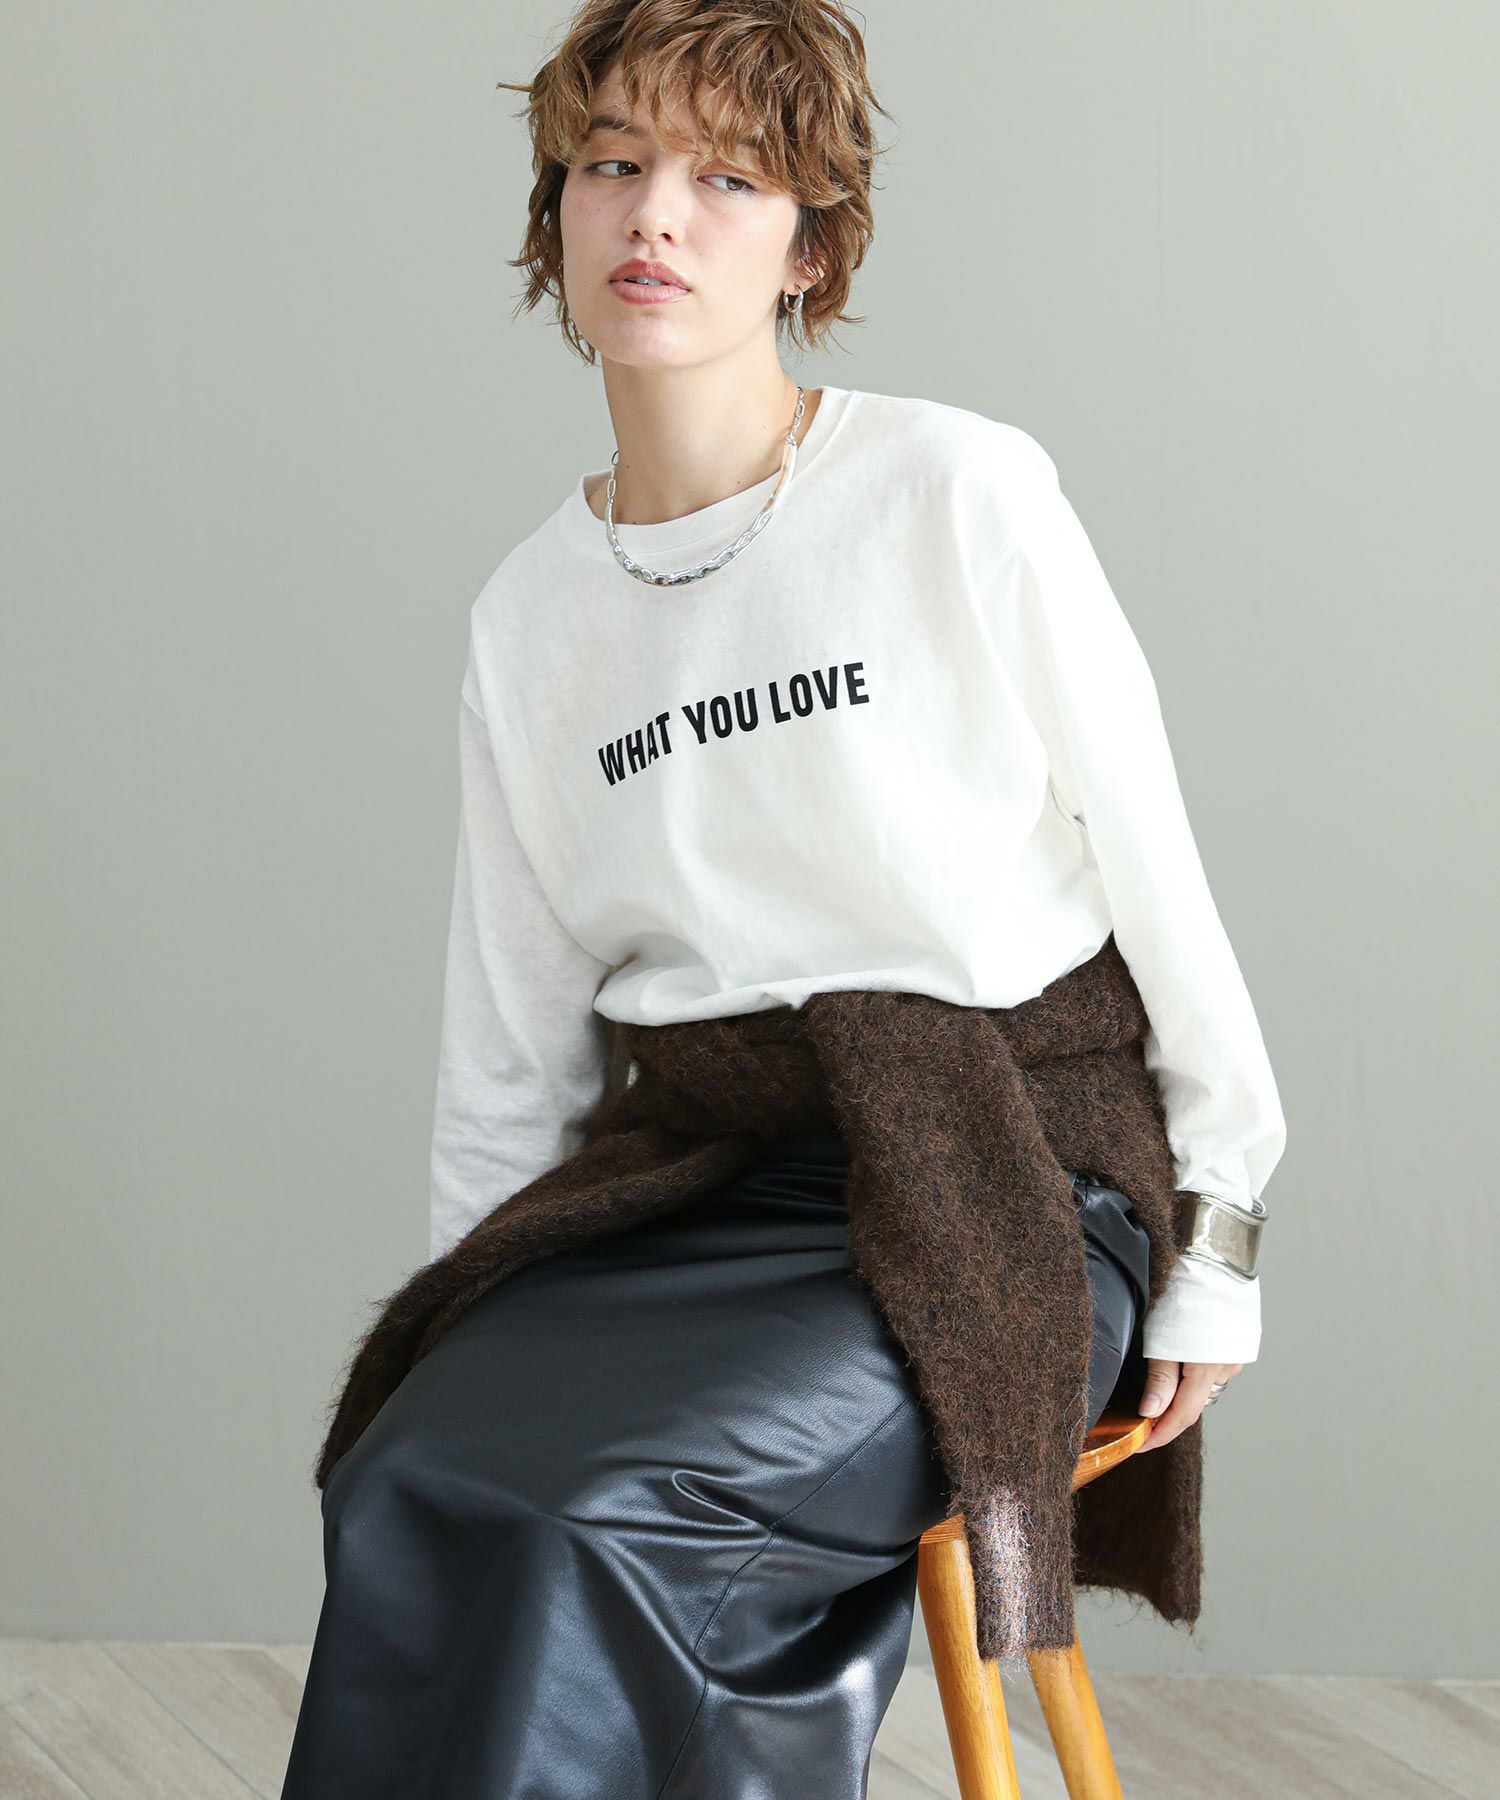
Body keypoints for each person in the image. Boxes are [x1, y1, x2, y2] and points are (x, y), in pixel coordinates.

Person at [280, 2, 1285, 1794]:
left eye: (727, 179)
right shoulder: (530, 617)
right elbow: (510, 1051)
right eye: (612, 165)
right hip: (693, 1186)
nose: (656, 216)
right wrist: (469, 1315)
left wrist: (1219, 1261)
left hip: (1011, 1175)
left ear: (811, 245)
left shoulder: (954, 490)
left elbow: (1166, 896)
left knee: (613, 1513)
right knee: (415, 1471)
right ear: (557, 216)